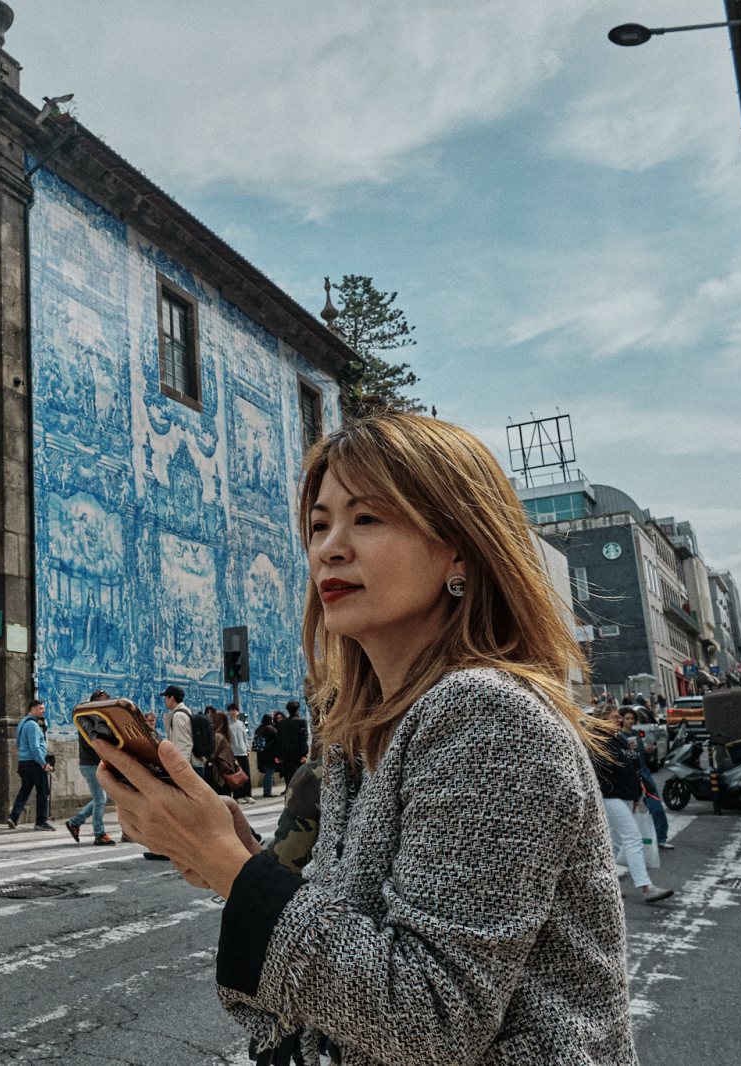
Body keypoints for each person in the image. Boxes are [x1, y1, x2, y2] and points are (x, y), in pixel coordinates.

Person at [93, 412, 636, 1063]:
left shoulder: (490, 716)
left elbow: (432, 1019)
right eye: (320, 524)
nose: (329, 547)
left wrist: (229, 869)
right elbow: (290, 988)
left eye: (367, 518)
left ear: (458, 546)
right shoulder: (347, 747)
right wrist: (237, 860)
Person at [597, 706, 673, 902]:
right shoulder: (597, 741)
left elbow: (630, 765)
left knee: (613, 845)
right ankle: (646, 887)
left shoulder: (618, 739)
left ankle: (607, 886)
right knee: (632, 838)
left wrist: (636, 793)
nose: (619, 721)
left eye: (618, 718)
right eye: (614, 718)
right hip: (610, 796)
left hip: (625, 795)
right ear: (602, 719)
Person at [65, 689, 117, 846]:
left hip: (95, 763)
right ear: (95, 701)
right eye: (103, 701)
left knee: (99, 798)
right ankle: (99, 834)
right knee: (100, 799)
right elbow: (93, 741)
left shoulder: (98, 718)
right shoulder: (86, 718)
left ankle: (75, 822)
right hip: (90, 764)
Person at [619, 708, 671, 851]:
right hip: (630, 776)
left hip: (643, 773)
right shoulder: (619, 737)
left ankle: (661, 837)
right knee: (629, 809)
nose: (630, 721)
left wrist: (647, 751)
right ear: (622, 720)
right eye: (627, 718)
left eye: (632, 718)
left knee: (656, 805)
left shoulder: (636, 735)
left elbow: (640, 756)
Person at [6, 699, 54, 830]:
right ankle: (41, 821)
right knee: (43, 792)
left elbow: (19, 743)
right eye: (40, 708)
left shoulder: (22, 722)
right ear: (32, 709)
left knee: (25, 790)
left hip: (23, 762)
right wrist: (43, 764)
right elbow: (35, 747)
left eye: (43, 708)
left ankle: (13, 817)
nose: (43, 711)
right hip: (34, 762)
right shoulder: (32, 725)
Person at [208, 710, 243, 798]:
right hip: (227, 772)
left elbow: (213, 755)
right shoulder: (225, 736)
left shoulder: (217, 737)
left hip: (220, 774)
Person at [274, 701, 308, 791]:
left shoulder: (282, 723)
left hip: (286, 754)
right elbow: (303, 739)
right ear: (297, 710)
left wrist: (278, 754)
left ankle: (290, 793)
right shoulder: (301, 722)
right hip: (298, 753)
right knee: (300, 774)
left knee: (289, 775)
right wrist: (304, 754)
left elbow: (279, 740)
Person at [225, 703, 254, 804]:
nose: (233, 712)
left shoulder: (241, 723)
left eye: (235, 710)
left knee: (246, 774)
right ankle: (238, 796)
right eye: (231, 710)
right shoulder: (227, 724)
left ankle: (248, 795)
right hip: (233, 753)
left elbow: (245, 737)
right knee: (237, 775)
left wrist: (248, 749)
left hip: (243, 752)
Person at [253, 712, 279, 798]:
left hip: (261, 755)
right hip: (270, 755)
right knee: (269, 774)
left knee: (267, 773)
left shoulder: (259, 729)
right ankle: (267, 792)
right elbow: (277, 743)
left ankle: (266, 790)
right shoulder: (272, 730)